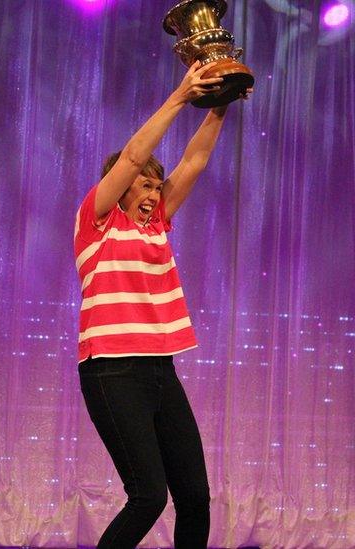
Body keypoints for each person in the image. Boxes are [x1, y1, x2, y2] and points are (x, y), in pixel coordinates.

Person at [73, 60, 241, 548]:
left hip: (159, 369)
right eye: (144, 185)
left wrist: (220, 103)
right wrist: (179, 97)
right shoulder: (97, 219)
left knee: (194, 495)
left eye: (154, 186)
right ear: (120, 187)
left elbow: (194, 162)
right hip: (111, 371)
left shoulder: (156, 224)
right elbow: (130, 156)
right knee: (148, 495)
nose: (152, 193)